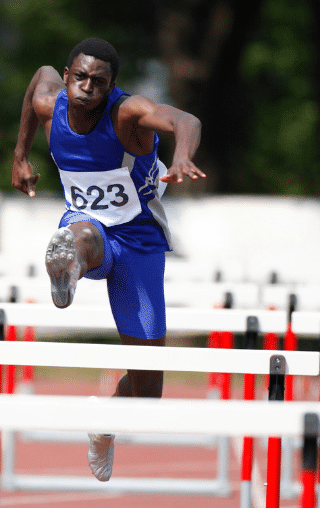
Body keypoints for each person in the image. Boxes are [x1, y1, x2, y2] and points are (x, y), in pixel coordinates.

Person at [11, 37, 205, 481]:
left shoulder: (128, 113)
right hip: (88, 224)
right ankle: (69, 264)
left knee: (148, 386)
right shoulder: (49, 100)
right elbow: (37, 76)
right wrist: (20, 155)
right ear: (67, 77)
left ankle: (104, 423)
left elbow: (185, 119)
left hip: (138, 237)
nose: (86, 88)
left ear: (112, 85)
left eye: (98, 82)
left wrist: (184, 156)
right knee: (80, 232)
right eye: (78, 77)